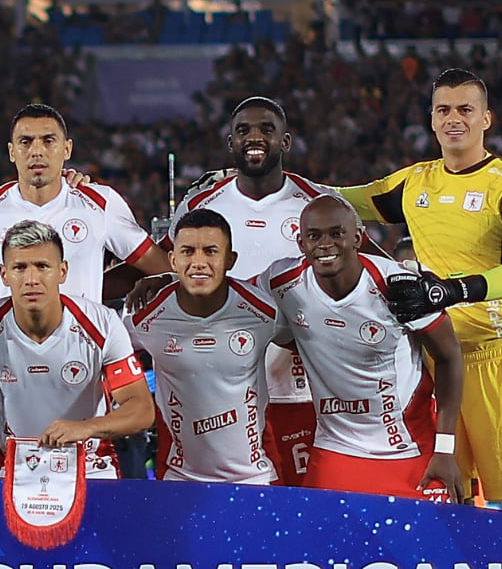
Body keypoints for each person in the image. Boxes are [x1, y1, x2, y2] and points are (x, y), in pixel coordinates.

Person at [337, 68, 502, 516]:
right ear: (432, 120)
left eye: (465, 109)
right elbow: (335, 200)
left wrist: (449, 292)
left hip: (497, 359)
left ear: (486, 118)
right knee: (449, 496)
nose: (454, 118)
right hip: (433, 361)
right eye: (444, 109)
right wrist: (256, 181)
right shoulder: (414, 183)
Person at [122, 96, 344, 487]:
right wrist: (158, 278)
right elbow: (182, 268)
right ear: (230, 143)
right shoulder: (202, 201)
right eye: (243, 130)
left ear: (286, 142)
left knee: (305, 512)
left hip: (303, 391)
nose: (254, 138)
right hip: (222, 391)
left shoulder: (316, 204)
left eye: (266, 130)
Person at [256, 197, 463, 501]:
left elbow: (450, 357)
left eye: (336, 233)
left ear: (358, 238)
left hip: (408, 450)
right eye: (314, 236)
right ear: (301, 242)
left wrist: (445, 448)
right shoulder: (282, 282)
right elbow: (233, 302)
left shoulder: (398, 286)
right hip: (336, 452)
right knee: (319, 547)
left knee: (430, 549)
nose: (325, 244)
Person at [0, 220, 155, 479]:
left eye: (42, 266)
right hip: (17, 473)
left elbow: (142, 409)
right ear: (4, 275)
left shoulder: (101, 323)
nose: (31, 279)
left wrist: (85, 429)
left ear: (62, 271)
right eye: (20, 268)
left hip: (92, 469)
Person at [0, 103, 170, 303]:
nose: (37, 151)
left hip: (80, 356)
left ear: (67, 149)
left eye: (48, 141)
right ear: (11, 152)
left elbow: (161, 268)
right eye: (25, 142)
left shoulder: (101, 203)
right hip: (9, 359)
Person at [125, 209, 280, 483]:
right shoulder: (144, 317)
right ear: (172, 260)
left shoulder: (265, 310)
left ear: (230, 260)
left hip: (254, 478)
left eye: (210, 251)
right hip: (180, 478)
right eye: (188, 252)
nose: (198, 262)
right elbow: (103, 355)